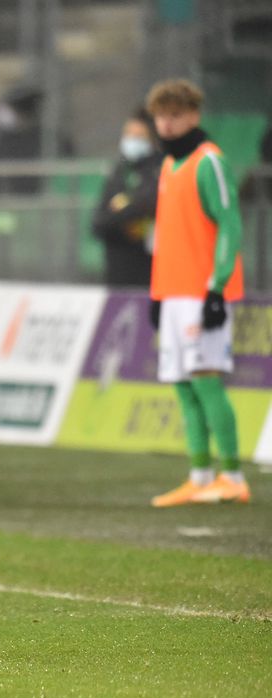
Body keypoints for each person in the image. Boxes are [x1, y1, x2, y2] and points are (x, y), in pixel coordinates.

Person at [145, 79, 250, 507]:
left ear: (193, 116)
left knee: (207, 383)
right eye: (160, 117)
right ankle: (200, 476)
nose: (166, 125)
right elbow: (169, 235)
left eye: (175, 116)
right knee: (183, 388)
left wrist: (216, 288)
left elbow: (229, 223)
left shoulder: (209, 162)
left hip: (200, 291)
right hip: (173, 293)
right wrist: (158, 293)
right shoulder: (169, 166)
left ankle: (233, 476)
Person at [92, 107, 161, 287]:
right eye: (128, 134)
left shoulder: (159, 168)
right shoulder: (119, 170)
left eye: (139, 136)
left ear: (152, 140)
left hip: (148, 271)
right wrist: (127, 213)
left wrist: (121, 211)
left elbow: (148, 203)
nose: (132, 140)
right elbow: (98, 222)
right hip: (116, 270)